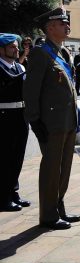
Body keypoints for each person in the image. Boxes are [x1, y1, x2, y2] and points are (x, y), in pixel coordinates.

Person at [23, 8, 80, 230]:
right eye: (62, 23)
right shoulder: (40, 53)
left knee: (64, 167)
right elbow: (31, 91)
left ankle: (58, 206)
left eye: (67, 23)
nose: (67, 26)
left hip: (68, 120)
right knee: (51, 168)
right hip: (51, 122)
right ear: (50, 28)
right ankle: (48, 215)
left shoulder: (62, 52)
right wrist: (35, 121)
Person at [0, 34, 31, 211]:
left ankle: (13, 192)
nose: (16, 49)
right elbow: (11, 81)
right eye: (12, 46)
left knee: (17, 156)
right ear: (1, 50)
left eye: (16, 46)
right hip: (4, 116)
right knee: (4, 157)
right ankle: (3, 197)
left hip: (21, 115)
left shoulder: (19, 66)